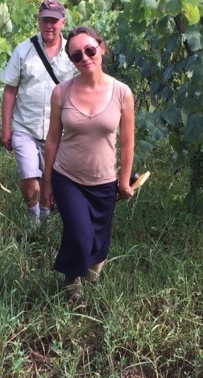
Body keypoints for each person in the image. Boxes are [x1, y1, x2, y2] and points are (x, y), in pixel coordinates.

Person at [42, 26, 135, 299]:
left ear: (101, 48)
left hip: (104, 180)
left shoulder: (122, 93)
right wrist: (47, 183)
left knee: (99, 241)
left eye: (90, 50)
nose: (84, 58)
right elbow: (52, 140)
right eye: (76, 55)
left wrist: (124, 180)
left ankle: (92, 271)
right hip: (67, 177)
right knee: (80, 233)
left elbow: (128, 142)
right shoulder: (62, 92)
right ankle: (72, 283)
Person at [0, 0, 76, 227]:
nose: (49, 25)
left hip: (59, 130)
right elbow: (10, 90)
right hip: (26, 127)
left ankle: (46, 218)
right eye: (45, 20)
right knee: (29, 176)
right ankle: (33, 217)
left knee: (49, 179)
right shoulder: (24, 50)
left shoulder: (73, 53)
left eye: (54, 21)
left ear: (63, 22)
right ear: (39, 21)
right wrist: (6, 128)